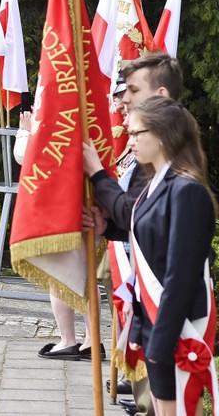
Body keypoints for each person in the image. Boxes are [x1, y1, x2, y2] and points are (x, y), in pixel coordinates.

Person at [84, 52, 184, 416]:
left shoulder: (171, 152)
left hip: (164, 291)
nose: (123, 99)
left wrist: (97, 173)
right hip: (142, 272)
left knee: (168, 387)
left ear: (159, 93)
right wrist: (107, 226)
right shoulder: (149, 145)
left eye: (132, 90)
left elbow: (137, 210)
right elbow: (138, 215)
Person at [123, 96, 217, 416]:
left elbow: (179, 273)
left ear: (162, 135)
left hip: (178, 325)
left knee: (178, 409)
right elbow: (144, 265)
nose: (130, 140)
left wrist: (161, 341)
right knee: (165, 407)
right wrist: (138, 328)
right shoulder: (154, 185)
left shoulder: (186, 190)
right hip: (155, 320)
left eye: (137, 133)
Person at [14, 110, 104, 362]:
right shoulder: (91, 113)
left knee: (59, 275)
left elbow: (25, 156)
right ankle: (92, 340)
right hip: (89, 203)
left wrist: (25, 129)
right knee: (87, 277)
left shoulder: (59, 112)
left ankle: (68, 340)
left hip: (63, 208)